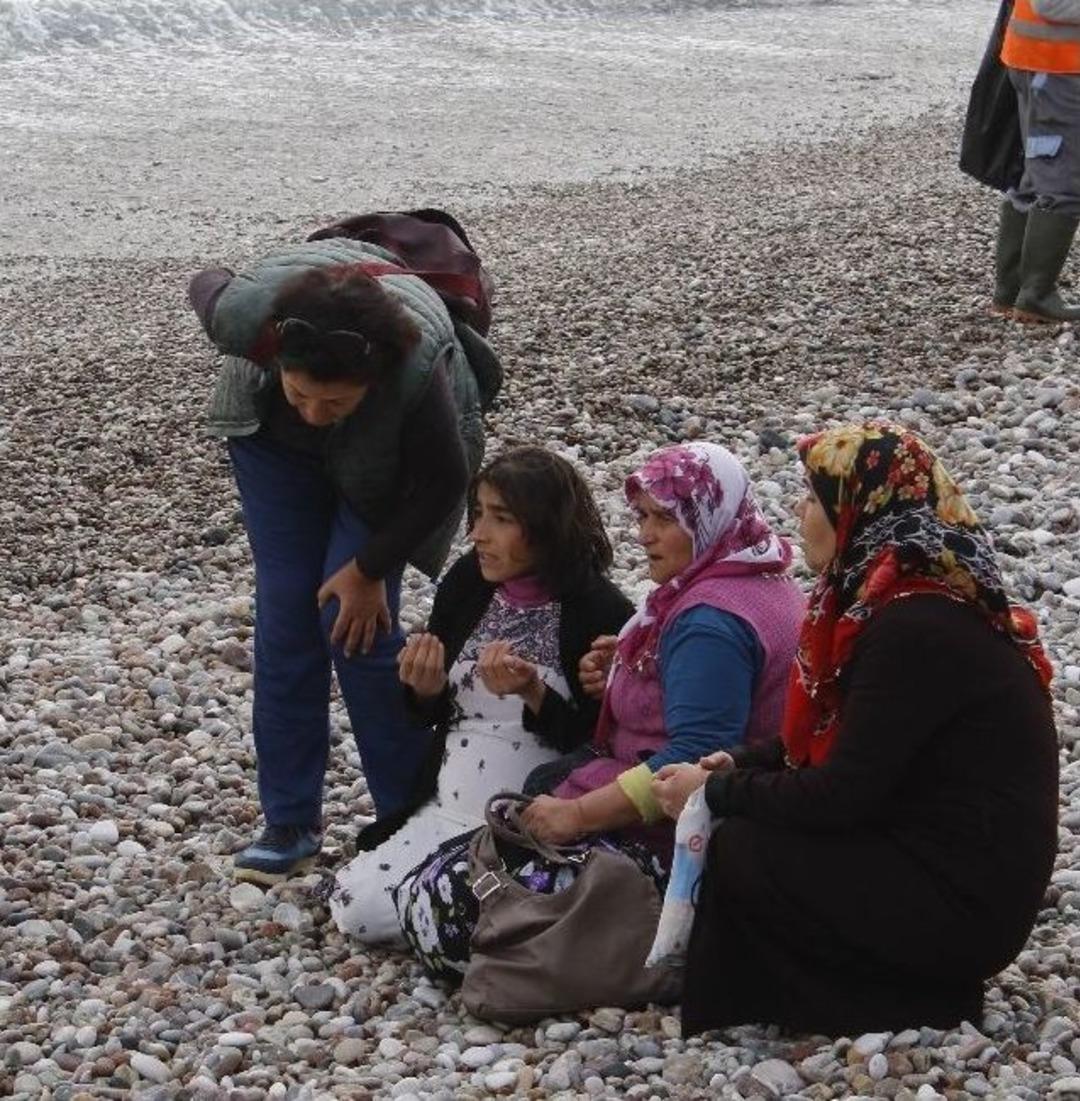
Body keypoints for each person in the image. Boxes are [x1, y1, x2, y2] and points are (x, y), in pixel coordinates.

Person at [653, 423, 1058, 1036]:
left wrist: (713, 794)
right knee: (749, 826)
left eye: (814, 498)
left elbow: (842, 792)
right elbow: (841, 740)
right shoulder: (893, 602)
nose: (798, 510)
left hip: (965, 904)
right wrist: (739, 766)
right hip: (942, 864)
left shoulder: (912, 627)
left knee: (744, 847)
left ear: (858, 511)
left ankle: (906, 1001)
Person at [188, 235, 489, 883]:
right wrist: (259, 312)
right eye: (303, 394)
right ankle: (290, 823)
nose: (317, 413)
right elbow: (205, 280)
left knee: (355, 626)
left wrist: (369, 568)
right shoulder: (249, 325)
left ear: (372, 378)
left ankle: (410, 819)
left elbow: (443, 482)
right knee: (288, 616)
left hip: (385, 462)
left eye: (334, 403)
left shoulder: (415, 372)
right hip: (270, 446)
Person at [328, 446, 634, 945]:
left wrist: (536, 693)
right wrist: (422, 688)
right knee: (356, 906)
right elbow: (431, 713)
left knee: (437, 913)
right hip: (446, 803)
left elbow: (602, 745)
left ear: (545, 526)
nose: (477, 535)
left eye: (501, 519)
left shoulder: (598, 609)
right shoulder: (469, 583)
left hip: (531, 825)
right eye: (477, 515)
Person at [517, 441, 805, 865]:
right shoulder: (759, 573)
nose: (644, 534)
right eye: (643, 515)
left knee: (540, 795)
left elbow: (696, 758)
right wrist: (638, 662)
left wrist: (576, 815)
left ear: (708, 518)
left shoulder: (708, 621)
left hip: (693, 830)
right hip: (761, 795)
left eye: (667, 517)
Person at [993, 0, 1080, 321]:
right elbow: (1053, 5)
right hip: (1056, 69)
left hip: (1040, 62)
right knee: (1065, 184)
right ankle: (1036, 296)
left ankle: (1013, 290)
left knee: (1035, 177)